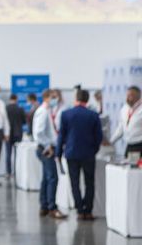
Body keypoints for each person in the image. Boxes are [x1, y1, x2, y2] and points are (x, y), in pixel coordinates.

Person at [56, 89, 102, 221]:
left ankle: (80, 210)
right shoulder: (93, 115)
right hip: (88, 153)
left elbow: (61, 136)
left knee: (74, 183)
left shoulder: (66, 114)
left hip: (71, 153)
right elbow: (98, 136)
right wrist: (94, 150)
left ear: (76, 98)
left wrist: (58, 153)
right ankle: (88, 210)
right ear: (87, 100)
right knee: (90, 183)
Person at [32, 90, 66, 219]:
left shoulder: (47, 111)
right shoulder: (43, 112)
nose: (55, 100)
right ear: (46, 98)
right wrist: (48, 146)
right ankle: (52, 207)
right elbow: (39, 132)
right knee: (52, 178)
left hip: (47, 147)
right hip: (46, 149)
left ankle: (44, 206)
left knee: (47, 178)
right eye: (53, 97)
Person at [109, 86, 142, 157]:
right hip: (129, 146)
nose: (127, 98)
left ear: (137, 96)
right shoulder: (124, 109)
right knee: (126, 167)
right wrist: (111, 141)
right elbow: (121, 128)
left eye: (130, 96)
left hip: (140, 145)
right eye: (127, 95)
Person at [5, 94, 26, 176]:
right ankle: (17, 171)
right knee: (17, 154)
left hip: (8, 134)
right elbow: (24, 121)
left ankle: (8, 172)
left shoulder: (6, 108)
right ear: (16, 99)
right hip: (18, 134)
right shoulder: (20, 109)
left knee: (8, 154)